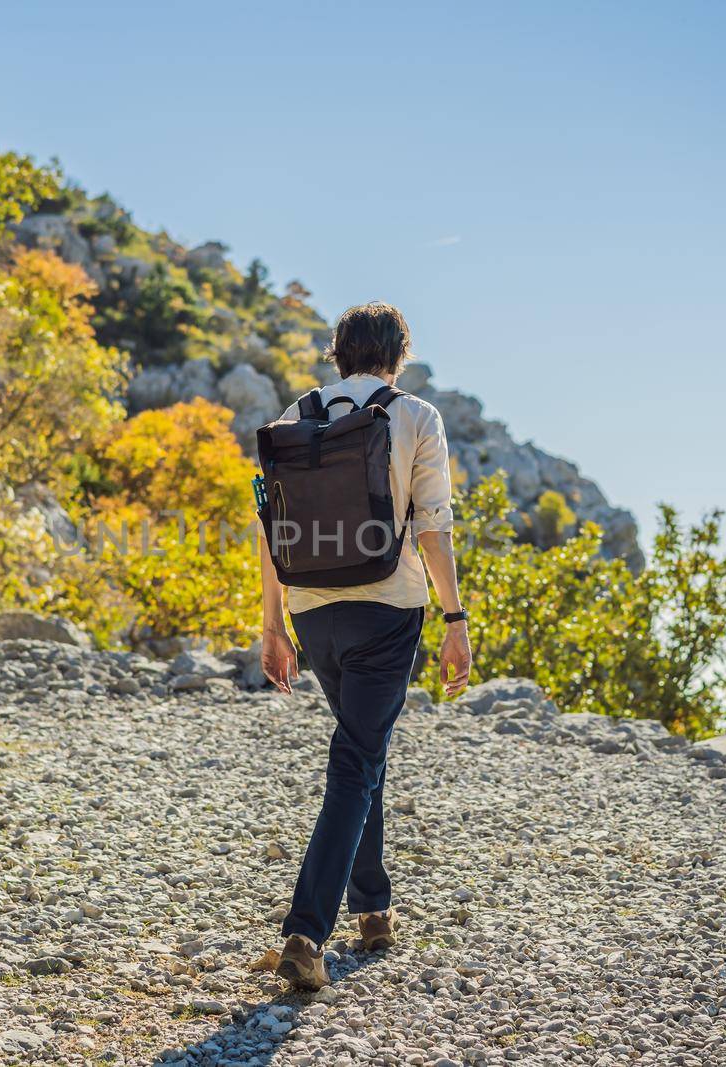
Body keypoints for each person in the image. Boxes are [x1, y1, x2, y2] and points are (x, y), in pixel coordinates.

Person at [257, 301, 472, 991]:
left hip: (314, 613)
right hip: (387, 612)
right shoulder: (416, 417)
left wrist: (272, 626)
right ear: (399, 356)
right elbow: (433, 530)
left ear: (337, 354)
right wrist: (454, 616)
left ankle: (373, 908)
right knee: (356, 759)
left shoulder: (298, 415)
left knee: (362, 747)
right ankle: (305, 931)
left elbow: (269, 527)